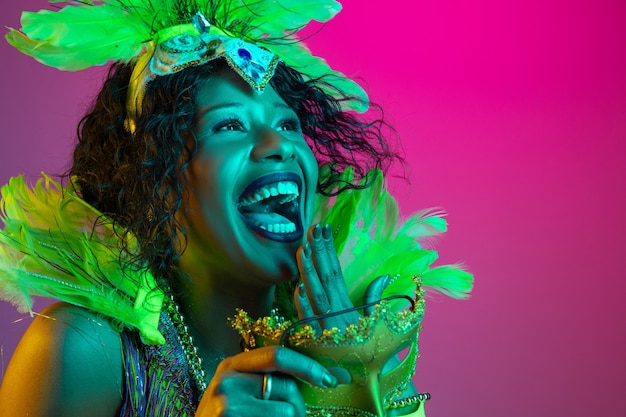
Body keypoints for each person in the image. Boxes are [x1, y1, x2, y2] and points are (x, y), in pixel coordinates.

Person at [0, 1, 473, 416]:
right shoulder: (84, 353)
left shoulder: (361, 346)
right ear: (157, 181)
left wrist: (350, 391)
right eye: (228, 125)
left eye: (288, 125)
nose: (279, 146)